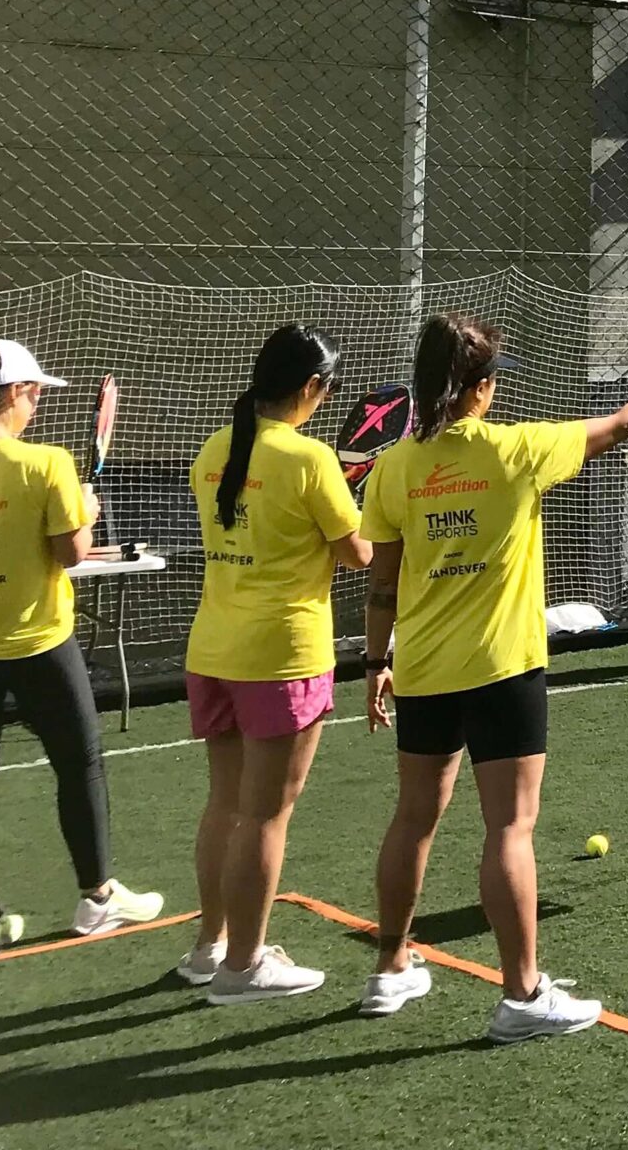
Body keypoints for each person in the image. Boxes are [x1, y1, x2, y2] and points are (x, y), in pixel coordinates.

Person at [361, 314, 628, 1041]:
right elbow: (623, 423)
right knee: (510, 827)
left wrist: (375, 662)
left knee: (413, 819)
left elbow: (381, 589)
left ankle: (390, 968)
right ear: (483, 388)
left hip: (424, 669)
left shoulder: (395, 469)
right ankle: (522, 996)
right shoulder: (517, 451)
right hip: (502, 668)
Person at [0, 340, 164, 959]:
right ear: (17, 394)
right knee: (81, 765)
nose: (38, 406)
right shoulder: (46, 464)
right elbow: (70, 553)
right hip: (38, 648)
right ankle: (97, 899)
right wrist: (88, 510)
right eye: (35, 395)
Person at [180, 325, 371, 1002]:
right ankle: (244, 966)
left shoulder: (213, 449)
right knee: (265, 815)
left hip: (214, 648)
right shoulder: (308, 459)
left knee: (225, 805)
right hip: (281, 655)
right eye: (330, 388)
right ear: (312, 389)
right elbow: (359, 553)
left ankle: (211, 948)